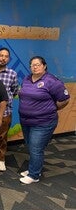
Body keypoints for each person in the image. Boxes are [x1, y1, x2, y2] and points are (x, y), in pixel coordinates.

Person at [18, 56, 70, 184]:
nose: (34, 67)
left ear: (44, 66)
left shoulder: (51, 81)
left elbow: (65, 98)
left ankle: (34, 175)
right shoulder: (27, 79)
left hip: (43, 122)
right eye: (32, 65)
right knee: (31, 146)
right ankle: (34, 168)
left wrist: (53, 109)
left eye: (37, 64)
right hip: (26, 121)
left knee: (36, 148)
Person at [0, 47, 19, 171]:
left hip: (5, 112)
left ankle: (0, 159)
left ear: (8, 59)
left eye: (6, 56)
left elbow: (13, 91)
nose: (3, 58)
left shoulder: (12, 74)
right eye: (1, 55)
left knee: (2, 137)